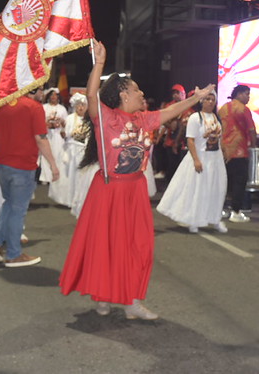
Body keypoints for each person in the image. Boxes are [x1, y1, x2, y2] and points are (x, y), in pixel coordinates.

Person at [60, 41, 214, 319]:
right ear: (122, 93)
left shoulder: (145, 119)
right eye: (136, 90)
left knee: (139, 247)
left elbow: (172, 112)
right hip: (109, 190)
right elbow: (92, 95)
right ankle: (103, 296)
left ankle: (132, 302)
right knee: (106, 246)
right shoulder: (106, 118)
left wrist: (196, 98)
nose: (142, 94)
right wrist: (99, 64)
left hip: (135, 190)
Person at [0, 87, 59, 267]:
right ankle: (13, 254)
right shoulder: (33, 107)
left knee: (9, 203)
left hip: (1, 163)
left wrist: (5, 150)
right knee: (18, 210)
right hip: (22, 165)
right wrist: (53, 165)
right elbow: (41, 139)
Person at [158, 90, 228, 234]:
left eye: (212, 99)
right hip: (201, 157)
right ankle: (193, 219)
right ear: (201, 101)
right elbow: (190, 140)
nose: (210, 101)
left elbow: (220, 139)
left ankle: (214, 219)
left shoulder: (216, 117)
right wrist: (196, 159)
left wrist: (223, 152)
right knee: (197, 190)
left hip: (215, 159)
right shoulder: (195, 118)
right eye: (207, 98)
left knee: (216, 189)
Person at [219, 84, 256, 222]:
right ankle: (235, 211)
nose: (248, 97)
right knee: (239, 182)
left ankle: (219, 209)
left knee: (224, 181)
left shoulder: (223, 108)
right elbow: (252, 130)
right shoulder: (244, 110)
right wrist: (253, 146)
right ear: (239, 94)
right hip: (239, 151)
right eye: (247, 94)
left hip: (224, 150)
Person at [48, 93, 89, 208]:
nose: (80, 107)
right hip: (71, 151)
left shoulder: (90, 119)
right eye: (78, 105)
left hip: (84, 151)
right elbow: (64, 134)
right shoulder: (70, 118)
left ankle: (81, 199)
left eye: (83, 105)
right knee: (70, 175)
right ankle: (69, 199)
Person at [39, 88, 68, 186]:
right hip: (46, 134)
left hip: (57, 135)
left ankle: (56, 177)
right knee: (46, 155)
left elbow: (66, 123)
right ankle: (45, 177)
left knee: (57, 155)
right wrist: (48, 124)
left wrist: (61, 123)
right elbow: (39, 122)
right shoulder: (43, 107)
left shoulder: (62, 109)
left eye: (55, 95)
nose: (53, 97)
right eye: (52, 95)